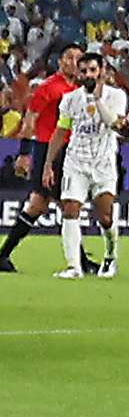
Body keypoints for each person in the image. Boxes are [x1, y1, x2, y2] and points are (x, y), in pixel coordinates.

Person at [45, 51, 127, 280]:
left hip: (103, 163)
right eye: (83, 71)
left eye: (92, 69)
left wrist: (98, 99)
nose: (88, 74)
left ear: (101, 71)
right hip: (76, 162)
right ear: (78, 74)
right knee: (70, 209)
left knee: (105, 217)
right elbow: (61, 132)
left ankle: (110, 256)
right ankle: (73, 267)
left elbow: (115, 125)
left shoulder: (116, 96)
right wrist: (48, 164)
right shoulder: (70, 100)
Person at [0, 42, 81, 272]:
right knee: (62, 204)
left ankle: (3, 254)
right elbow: (30, 119)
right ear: (60, 61)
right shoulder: (49, 87)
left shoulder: (78, 90)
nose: (73, 62)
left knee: (45, 204)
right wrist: (25, 153)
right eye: (69, 57)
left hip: (70, 151)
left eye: (78, 58)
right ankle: (79, 260)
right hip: (48, 149)